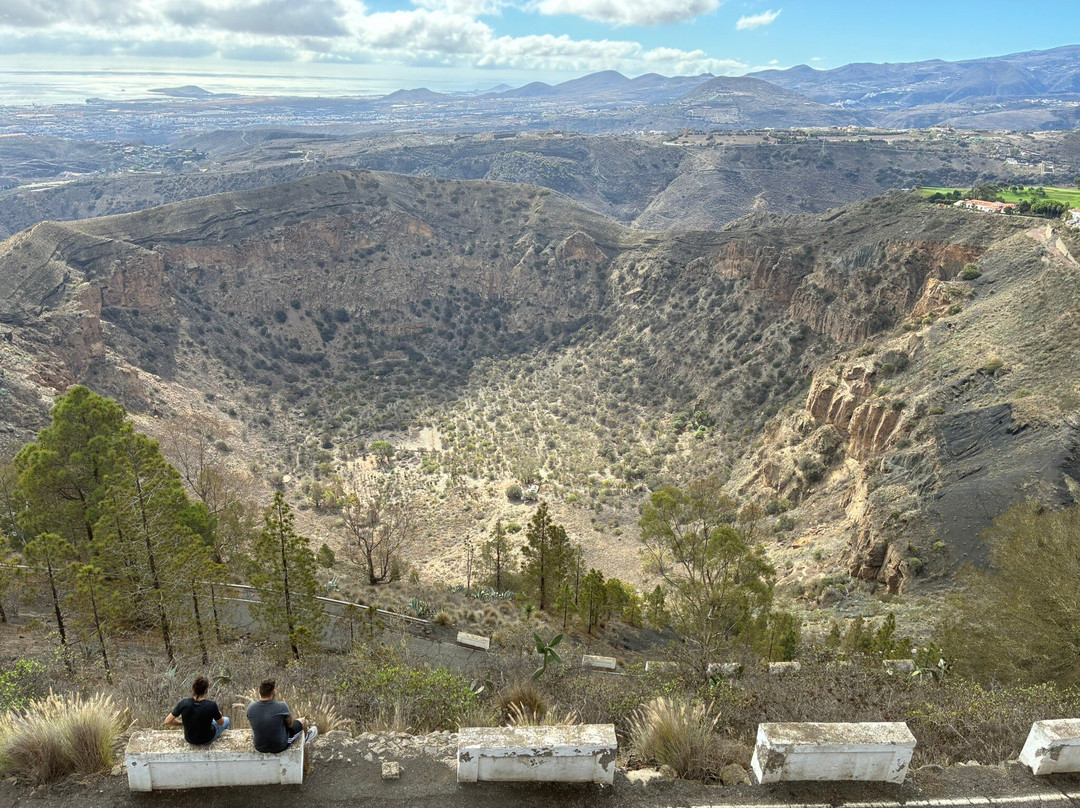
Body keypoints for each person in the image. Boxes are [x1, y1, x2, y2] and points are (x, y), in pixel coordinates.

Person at [246, 679, 317, 753]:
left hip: (259, 747)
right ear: (273, 692)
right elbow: (290, 725)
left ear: (259, 691)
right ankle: (306, 737)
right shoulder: (282, 706)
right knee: (302, 721)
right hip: (279, 746)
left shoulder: (251, 707)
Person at [164, 675, 229, 745]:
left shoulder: (184, 703)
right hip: (207, 739)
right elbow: (221, 723)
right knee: (227, 720)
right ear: (206, 690)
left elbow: (167, 721)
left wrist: (182, 723)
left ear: (193, 688)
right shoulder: (211, 705)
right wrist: (219, 714)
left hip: (189, 739)